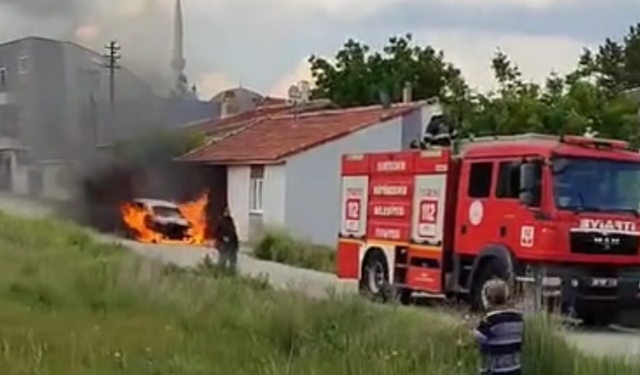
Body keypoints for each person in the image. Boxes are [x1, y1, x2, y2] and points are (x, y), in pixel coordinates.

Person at [473, 279, 524, 375]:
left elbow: (480, 337)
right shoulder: (518, 318)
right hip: (515, 368)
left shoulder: (490, 320)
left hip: (495, 370)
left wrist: (473, 329)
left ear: (487, 299)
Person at [214, 207, 239, 273]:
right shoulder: (221, 222)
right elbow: (216, 233)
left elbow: (234, 234)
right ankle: (220, 272)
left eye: (228, 212)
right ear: (224, 213)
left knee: (233, 260)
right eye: (226, 212)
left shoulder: (231, 221)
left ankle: (231, 272)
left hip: (231, 245)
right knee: (223, 259)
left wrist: (236, 245)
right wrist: (223, 238)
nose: (227, 213)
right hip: (223, 245)